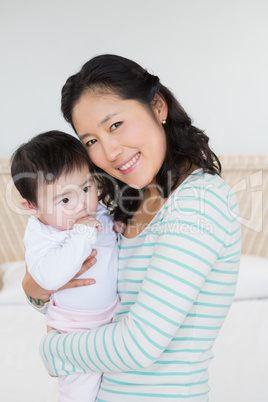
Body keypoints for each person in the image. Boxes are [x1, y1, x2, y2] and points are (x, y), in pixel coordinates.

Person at [22, 54, 241, 401]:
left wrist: (52, 350)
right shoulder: (122, 207)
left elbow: (138, 345)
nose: (109, 151)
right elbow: (82, 291)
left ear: (157, 106)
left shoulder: (200, 200)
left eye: (115, 125)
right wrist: (36, 288)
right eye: (91, 140)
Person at [11, 131, 119, 402]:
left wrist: (118, 227)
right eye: (65, 200)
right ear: (32, 207)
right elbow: (47, 277)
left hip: (115, 319)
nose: (82, 204)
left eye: (86, 188)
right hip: (74, 330)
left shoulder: (97, 212)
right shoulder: (41, 233)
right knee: (79, 393)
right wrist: (80, 236)